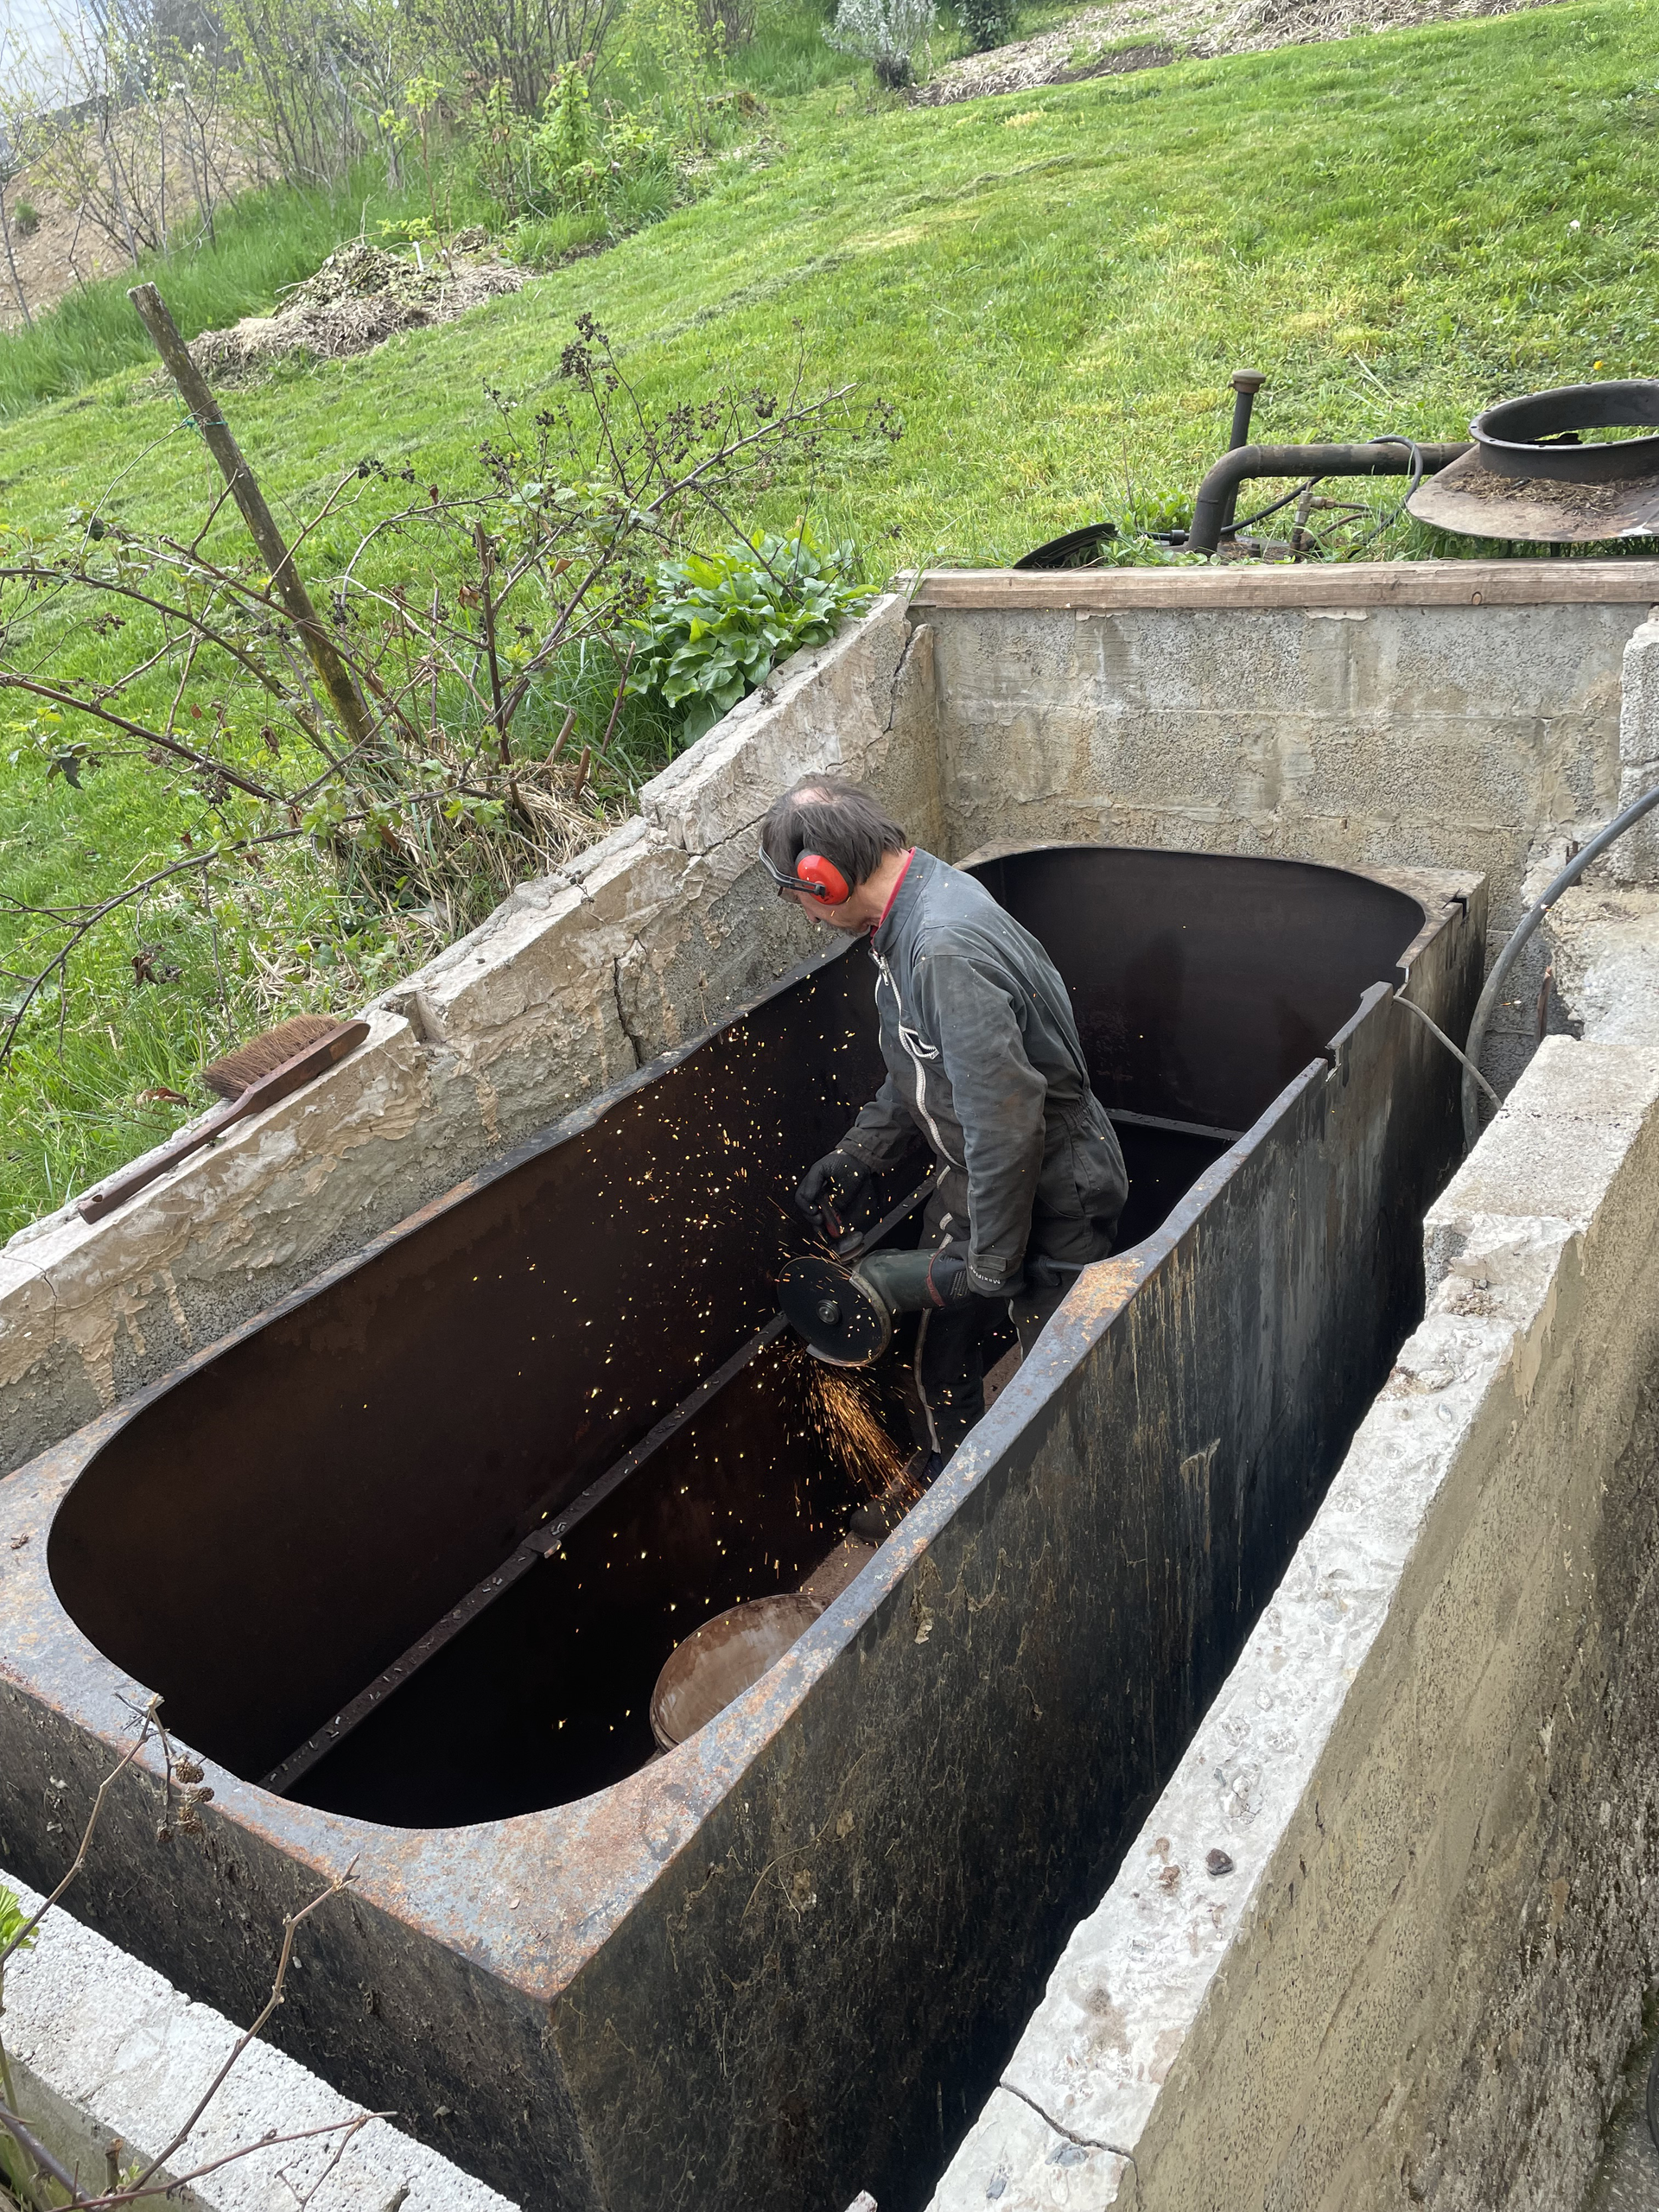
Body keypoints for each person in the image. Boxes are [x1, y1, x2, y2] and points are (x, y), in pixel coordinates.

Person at [760, 776, 1128, 1487]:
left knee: (1056, 1370)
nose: (801, 913)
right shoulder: (907, 922)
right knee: (938, 1346)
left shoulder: (941, 949)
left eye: (794, 894)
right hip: (979, 1173)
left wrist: (990, 1261)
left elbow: (1006, 1120)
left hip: (1052, 1183)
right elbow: (921, 1068)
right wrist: (858, 1154)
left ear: (823, 879)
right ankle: (953, 1484)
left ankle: (1061, 1496)